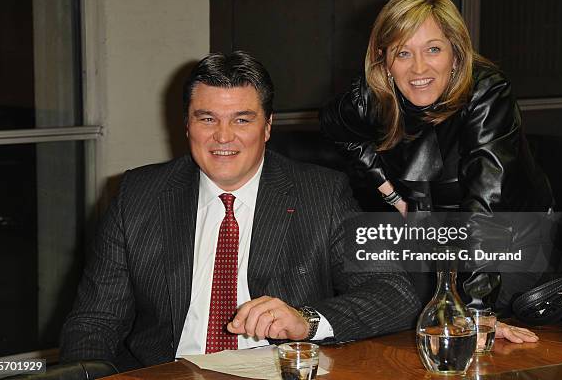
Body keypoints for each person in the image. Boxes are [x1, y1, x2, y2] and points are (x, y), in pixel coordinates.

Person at [60, 51, 421, 371]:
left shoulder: (322, 194)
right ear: (186, 125)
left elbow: (394, 294)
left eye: (242, 120)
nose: (223, 137)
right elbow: (94, 323)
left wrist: (306, 322)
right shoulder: (138, 195)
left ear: (267, 127)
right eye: (207, 119)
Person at [319, 0, 554, 343]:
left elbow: (486, 210)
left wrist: (477, 311)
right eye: (403, 53)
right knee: (408, 316)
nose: (418, 68)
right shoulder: (369, 98)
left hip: (510, 233)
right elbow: (336, 127)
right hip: (432, 229)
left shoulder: (487, 92)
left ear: (456, 54)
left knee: (456, 326)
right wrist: (392, 194)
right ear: (384, 61)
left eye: (433, 49)